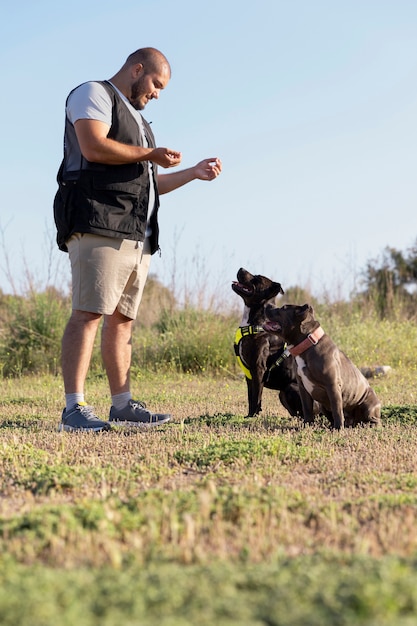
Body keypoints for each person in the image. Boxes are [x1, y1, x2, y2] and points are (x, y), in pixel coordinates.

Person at [53, 47, 222, 432]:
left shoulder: (141, 124)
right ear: (137, 69)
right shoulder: (93, 93)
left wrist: (193, 172)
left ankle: (122, 405)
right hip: (98, 222)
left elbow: (150, 183)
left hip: (136, 235)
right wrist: (151, 152)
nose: (157, 93)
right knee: (88, 313)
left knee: (122, 321)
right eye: (156, 84)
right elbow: (93, 145)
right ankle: (73, 410)